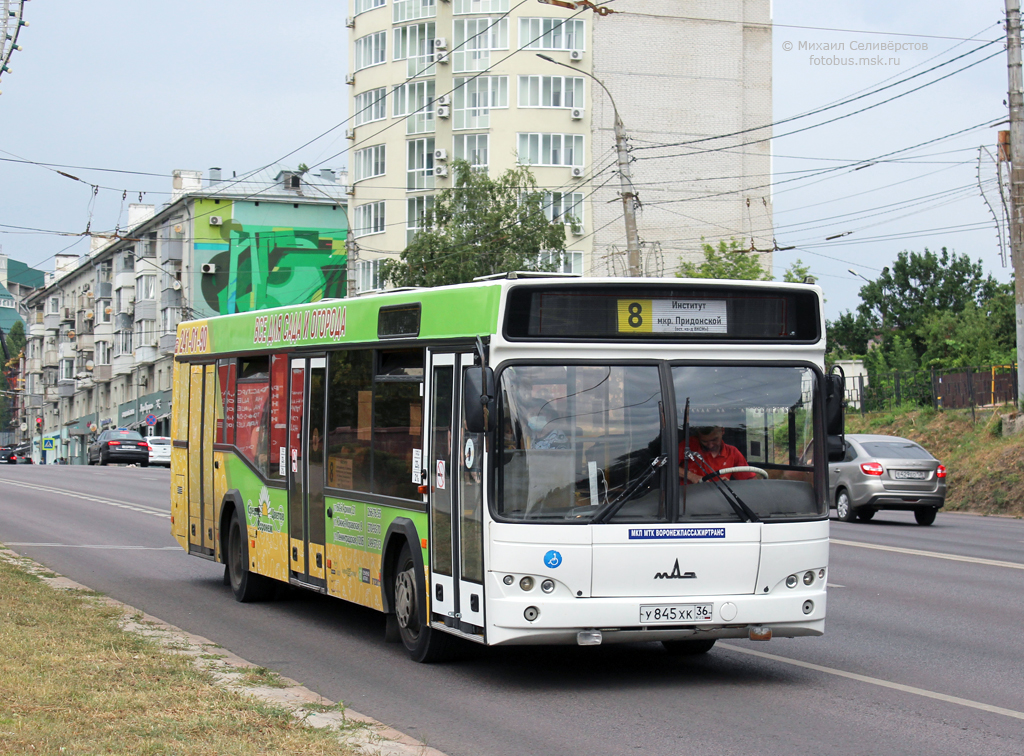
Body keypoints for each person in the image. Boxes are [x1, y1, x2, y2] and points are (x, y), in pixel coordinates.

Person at [679, 426, 756, 484]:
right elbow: (669, 465)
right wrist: (692, 476)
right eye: (705, 441)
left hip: (719, 499)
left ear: (722, 431)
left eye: (714, 440)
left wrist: (729, 485)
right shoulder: (689, 445)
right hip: (690, 498)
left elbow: (750, 480)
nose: (710, 445)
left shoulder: (732, 452)